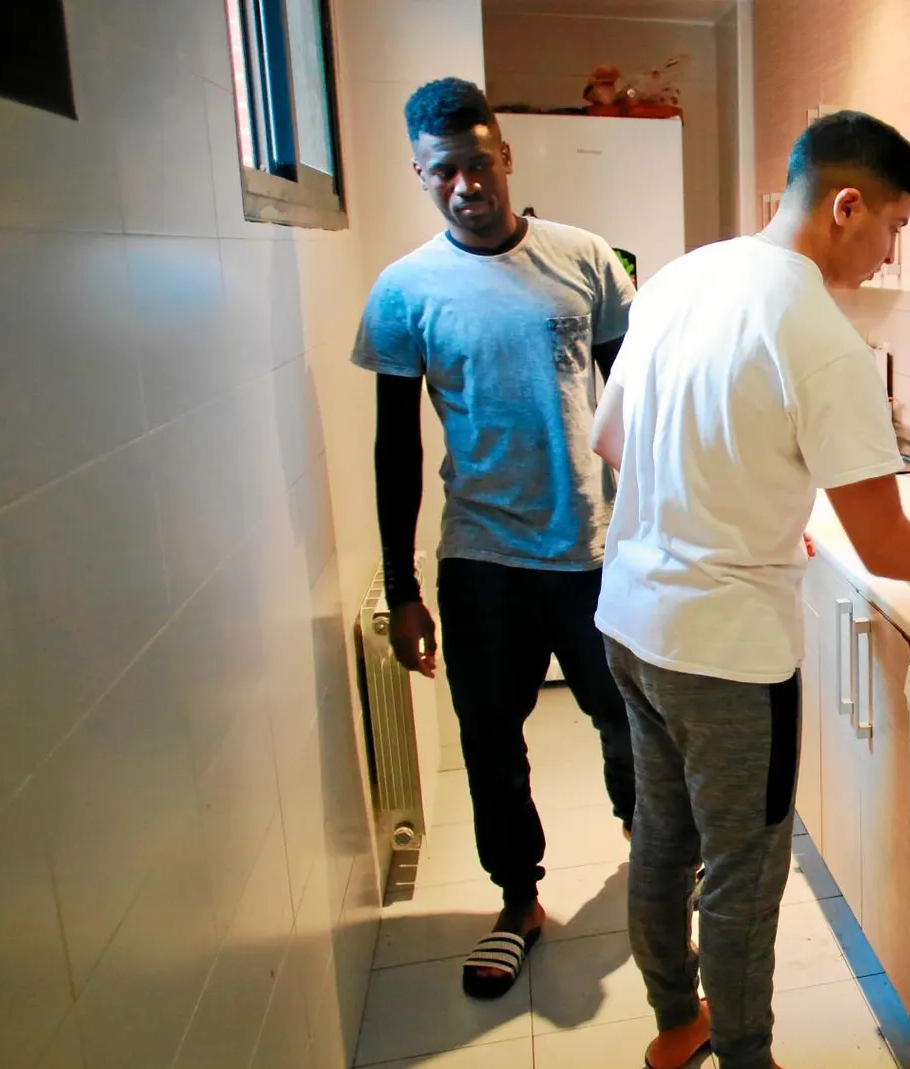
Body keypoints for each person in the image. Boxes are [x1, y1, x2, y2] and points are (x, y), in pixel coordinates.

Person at [591, 111, 910, 1069]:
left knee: (662, 835)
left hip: (628, 621)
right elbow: (893, 548)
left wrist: (725, 500)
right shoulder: (818, 333)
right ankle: (749, 1058)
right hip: (726, 655)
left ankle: (677, 1022)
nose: (889, 252)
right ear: (846, 206)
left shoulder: (678, 276)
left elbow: (613, 442)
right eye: (894, 228)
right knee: (744, 872)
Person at [352, 76, 638, 1000]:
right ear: (420, 175)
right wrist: (402, 587)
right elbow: (397, 447)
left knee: (631, 722)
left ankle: (651, 862)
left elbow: (637, 408)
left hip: (596, 552)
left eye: (479, 163)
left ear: (506, 157)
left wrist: (666, 531)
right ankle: (519, 900)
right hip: (481, 561)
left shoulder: (587, 260)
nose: (467, 185)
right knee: (489, 742)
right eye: (445, 172)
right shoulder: (403, 292)